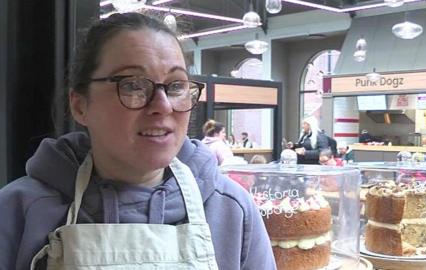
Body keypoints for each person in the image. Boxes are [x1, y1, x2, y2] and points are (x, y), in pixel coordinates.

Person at [0, 13, 275, 270]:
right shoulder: (18, 211)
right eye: (133, 85)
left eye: (176, 85)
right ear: (80, 106)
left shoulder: (231, 211)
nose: (163, 106)